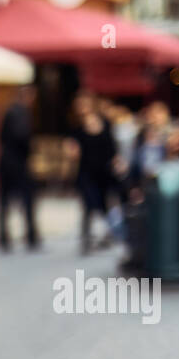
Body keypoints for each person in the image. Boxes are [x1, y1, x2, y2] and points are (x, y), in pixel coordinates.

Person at [66, 93, 117, 253]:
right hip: (85, 171)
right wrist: (70, 151)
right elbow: (71, 148)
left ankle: (109, 232)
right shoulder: (76, 128)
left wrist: (116, 161)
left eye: (84, 104)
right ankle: (87, 237)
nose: (82, 109)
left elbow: (112, 147)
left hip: (103, 171)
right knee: (89, 203)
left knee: (103, 204)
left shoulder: (105, 124)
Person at [0, 84, 41, 253]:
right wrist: (29, 152)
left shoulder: (7, 110)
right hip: (18, 163)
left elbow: (0, 136)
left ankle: (3, 236)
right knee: (27, 199)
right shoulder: (21, 113)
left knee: (4, 201)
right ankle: (30, 235)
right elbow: (22, 137)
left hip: (6, 161)